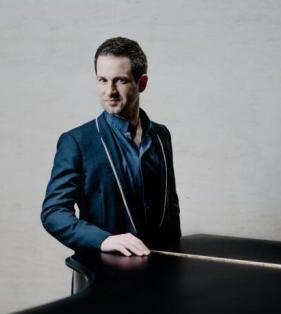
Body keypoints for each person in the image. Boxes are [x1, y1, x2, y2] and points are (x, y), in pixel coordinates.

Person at [41, 37, 181, 259]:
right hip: (103, 272)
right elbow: (54, 212)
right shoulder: (76, 142)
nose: (110, 91)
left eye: (120, 81)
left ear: (141, 83)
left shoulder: (161, 135)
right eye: (102, 80)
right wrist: (103, 239)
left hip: (159, 273)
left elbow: (170, 210)